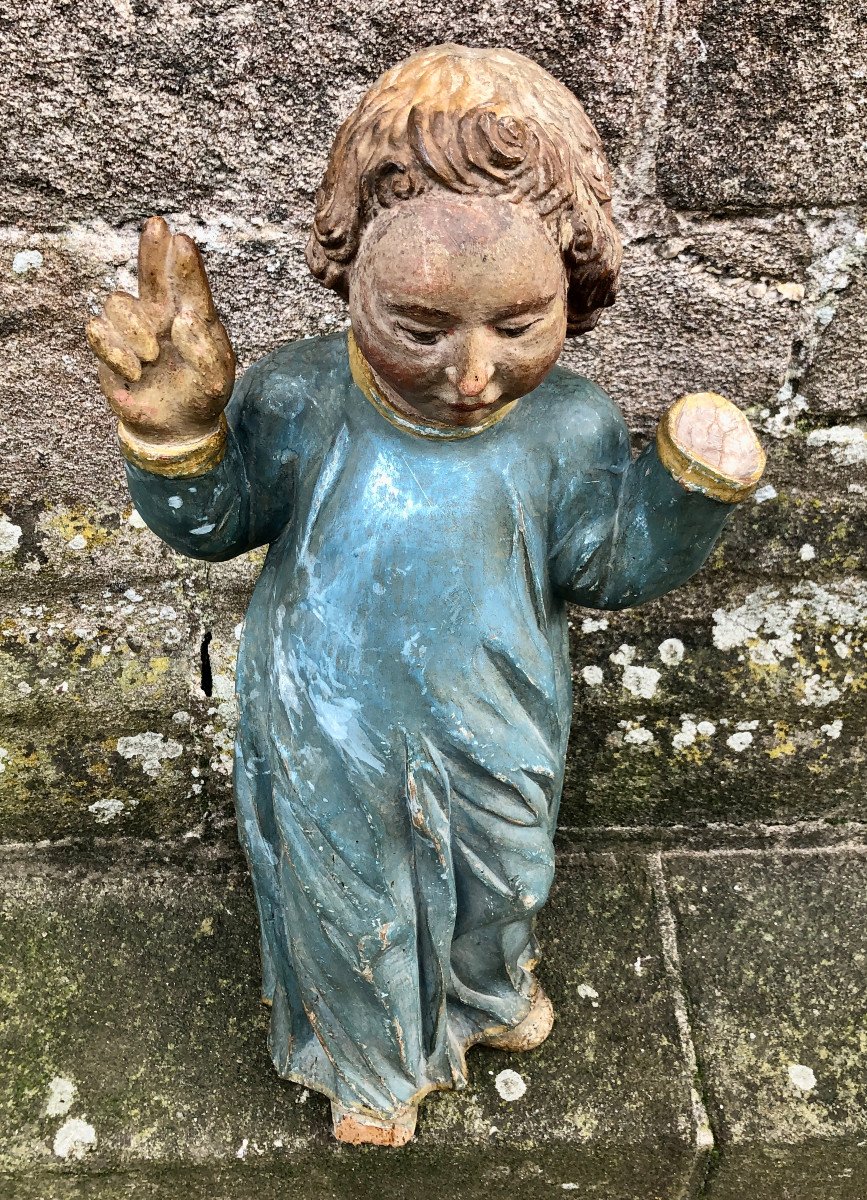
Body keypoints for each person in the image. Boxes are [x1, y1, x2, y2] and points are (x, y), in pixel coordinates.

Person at [85, 44, 765, 1147]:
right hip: (329, 717)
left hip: (498, 712)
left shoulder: (572, 427)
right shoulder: (305, 398)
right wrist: (175, 433)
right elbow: (213, 527)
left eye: (520, 323)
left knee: (505, 873)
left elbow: (601, 567)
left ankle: (485, 1000)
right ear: (351, 274)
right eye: (419, 326)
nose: (471, 374)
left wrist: (685, 497)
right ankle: (369, 1065)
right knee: (351, 900)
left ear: (573, 288)